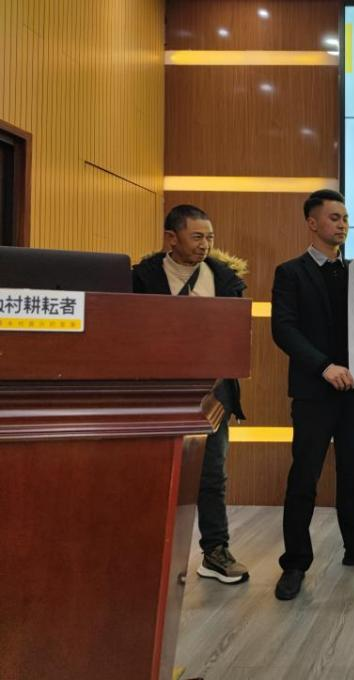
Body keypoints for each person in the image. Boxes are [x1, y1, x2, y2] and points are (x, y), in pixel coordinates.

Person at [271, 189, 354, 602]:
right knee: (304, 477)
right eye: (333, 217)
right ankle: (295, 562)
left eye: (345, 217)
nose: (342, 224)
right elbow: (284, 329)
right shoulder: (290, 273)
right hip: (314, 391)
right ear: (312, 223)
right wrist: (324, 366)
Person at [132, 204, 249, 584]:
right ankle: (146, 551)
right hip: (157, 393)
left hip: (213, 393)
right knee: (153, 473)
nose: (205, 245)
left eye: (209, 238)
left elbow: (236, 335)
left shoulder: (225, 279)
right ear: (171, 237)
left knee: (212, 474)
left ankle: (215, 551)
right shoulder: (140, 278)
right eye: (197, 236)